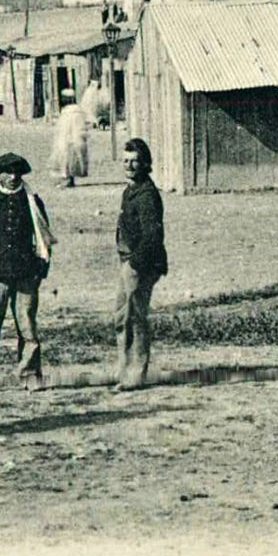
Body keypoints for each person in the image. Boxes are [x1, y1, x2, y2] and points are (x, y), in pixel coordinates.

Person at [0, 152, 55, 393]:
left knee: (28, 329)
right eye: (8, 172)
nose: (13, 177)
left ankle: (30, 375)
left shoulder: (33, 201)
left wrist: (40, 271)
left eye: (17, 173)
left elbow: (44, 238)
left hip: (25, 274)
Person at [114, 138, 168, 390]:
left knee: (135, 317)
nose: (129, 165)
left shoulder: (146, 195)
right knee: (122, 317)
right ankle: (125, 371)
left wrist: (134, 265)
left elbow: (153, 236)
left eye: (135, 161)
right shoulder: (131, 190)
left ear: (145, 163)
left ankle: (136, 374)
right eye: (125, 161)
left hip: (140, 265)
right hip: (128, 261)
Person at [52, 91, 92, 187]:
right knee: (71, 160)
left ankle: (67, 179)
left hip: (68, 139)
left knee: (67, 160)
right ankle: (70, 179)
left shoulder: (69, 112)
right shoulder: (77, 111)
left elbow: (65, 128)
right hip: (75, 139)